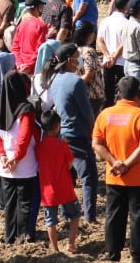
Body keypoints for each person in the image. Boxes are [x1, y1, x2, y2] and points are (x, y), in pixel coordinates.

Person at [93, 75, 140, 263]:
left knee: (113, 217)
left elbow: (96, 144)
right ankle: (138, 257)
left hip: (114, 177)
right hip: (138, 178)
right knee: (138, 219)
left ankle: (113, 256)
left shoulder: (105, 114)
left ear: (119, 93)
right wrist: (126, 164)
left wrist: (114, 162)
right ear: (138, 94)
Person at [47, 42, 98, 224]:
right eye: (78, 57)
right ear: (70, 60)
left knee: (67, 177)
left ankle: (66, 213)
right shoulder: (76, 81)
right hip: (78, 133)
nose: (80, 60)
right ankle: (90, 216)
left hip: (63, 134)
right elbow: (87, 112)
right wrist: (93, 130)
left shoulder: (55, 79)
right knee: (89, 177)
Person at [0, 70, 40, 244]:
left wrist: (2, 155)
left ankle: (9, 236)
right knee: (24, 202)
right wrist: (17, 158)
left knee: (10, 202)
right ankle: (21, 236)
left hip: (5, 165)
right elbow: (25, 137)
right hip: (25, 164)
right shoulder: (26, 109)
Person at [37, 109, 81, 255]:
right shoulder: (62, 145)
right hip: (65, 188)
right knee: (75, 216)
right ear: (58, 126)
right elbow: (69, 164)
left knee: (50, 221)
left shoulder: (39, 146)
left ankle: (55, 249)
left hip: (48, 191)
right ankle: (71, 244)